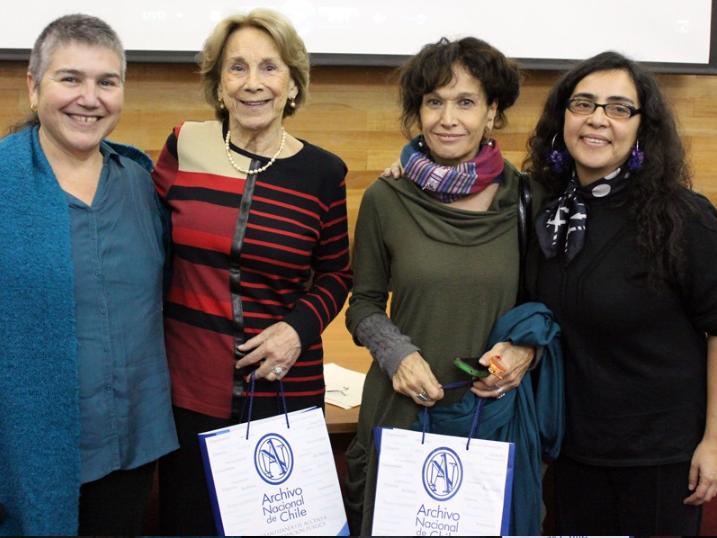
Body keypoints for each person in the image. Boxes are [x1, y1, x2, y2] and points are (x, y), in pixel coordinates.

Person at [344, 36, 564, 535]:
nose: (448, 118)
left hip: (493, 416)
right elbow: (364, 305)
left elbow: (547, 306)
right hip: (401, 410)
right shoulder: (386, 196)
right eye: (434, 102)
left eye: (466, 102)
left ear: (492, 113)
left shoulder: (528, 197)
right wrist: (396, 354)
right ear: (417, 111)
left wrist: (524, 353)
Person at [152, 9, 352, 535]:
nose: (253, 83)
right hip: (187, 390)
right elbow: (147, 244)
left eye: (270, 67)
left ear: (292, 84)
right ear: (218, 85)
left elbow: (336, 274)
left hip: (281, 386)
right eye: (236, 68)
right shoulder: (185, 145)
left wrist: (296, 331)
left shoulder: (324, 173)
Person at [525, 50, 717, 535]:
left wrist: (715, 441)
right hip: (572, 450)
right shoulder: (546, 210)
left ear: (641, 127)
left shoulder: (682, 216)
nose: (597, 119)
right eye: (583, 104)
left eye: (618, 108)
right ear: (562, 118)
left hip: (659, 456)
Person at [0, 14, 177, 536]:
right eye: (70, 78)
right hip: (27, 450)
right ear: (33, 87)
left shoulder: (143, 182)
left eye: (107, 81)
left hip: (130, 440)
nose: (89, 97)